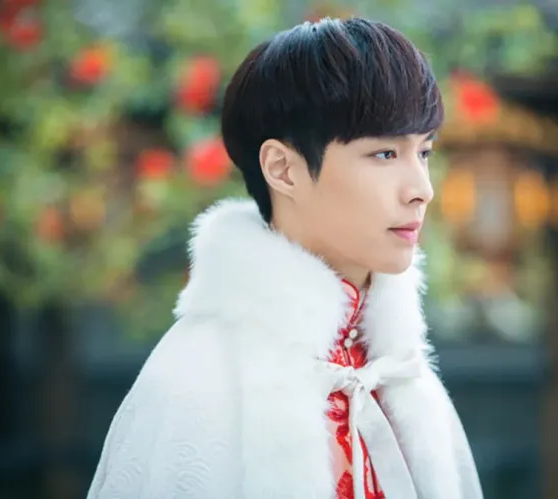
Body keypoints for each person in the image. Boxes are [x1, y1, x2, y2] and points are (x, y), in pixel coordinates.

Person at [88, 17, 482, 499]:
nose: (422, 190)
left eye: (424, 153)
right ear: (283, 169)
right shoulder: (198, 378)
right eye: (384, 154)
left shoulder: (401, 373)